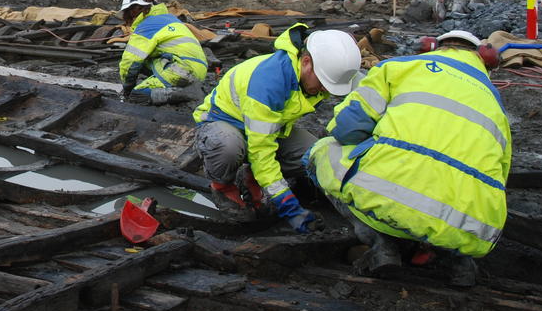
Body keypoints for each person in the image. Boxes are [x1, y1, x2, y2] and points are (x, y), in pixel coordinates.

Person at [304, 30, 511, 287]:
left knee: (321, 150)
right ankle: (456, 259)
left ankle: (382, 243)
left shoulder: (396, 69)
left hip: (392, 199)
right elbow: (501, 174)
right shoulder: (496, 103)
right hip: (477, 230)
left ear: (432, 48)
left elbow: (347, 130)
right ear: (484, 59)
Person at [194, 23, 362, 230]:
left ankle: (252, 178)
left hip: (269, 129)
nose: (326, 90)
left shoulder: (318, 70)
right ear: (306, 62)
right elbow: (261, 149)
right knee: (227, 146)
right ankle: (222, 186)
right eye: (323, 82)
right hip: (224, 124)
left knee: (317, 155)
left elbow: (367, 87)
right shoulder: (269, 82)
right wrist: (288, 206)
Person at [118, 0, 210, 106]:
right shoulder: (170, 19)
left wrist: (127, 89)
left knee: (138, 95)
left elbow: (130, 62)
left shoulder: (147, 25)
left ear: (136, 9)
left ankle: (186, 93)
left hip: (183, 70)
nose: (127, 17)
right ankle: (177, 86)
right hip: (199, 69)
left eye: (127, 13)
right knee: (145, 60)